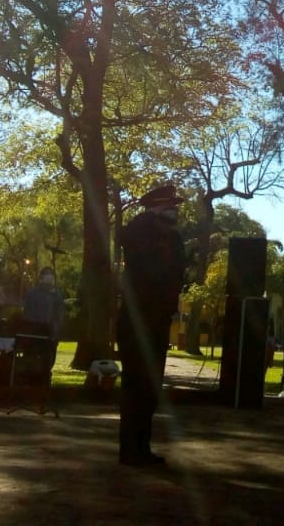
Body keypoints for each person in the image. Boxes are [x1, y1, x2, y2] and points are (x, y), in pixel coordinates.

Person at [115, 183, 187, 467]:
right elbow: (129, 240)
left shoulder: (174, 239)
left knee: (150, 387)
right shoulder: (140, 231)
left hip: (159, 321)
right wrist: (149, 216)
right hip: (137, 321)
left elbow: (177, 271)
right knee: (135, 385)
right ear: (157, 206)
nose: (175, 209)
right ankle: (129, 450)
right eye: (170, 205)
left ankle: (141, 447)